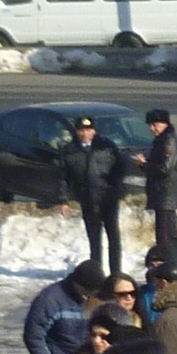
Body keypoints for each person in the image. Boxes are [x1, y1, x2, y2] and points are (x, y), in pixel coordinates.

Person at [56, 113, 129, 275]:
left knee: (113, 237)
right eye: (81, 130)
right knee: (94, 240)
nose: (85, 133)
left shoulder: (106, 146)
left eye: (88, 130)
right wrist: (64, 200)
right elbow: (63, 177)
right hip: (87, 199)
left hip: (108, 198)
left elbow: (120, 168)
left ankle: (116, 273)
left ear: (94, 131)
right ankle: (97, 274)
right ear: (76, 131)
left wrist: (115, 187)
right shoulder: (70, 151)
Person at [138, 110, 177, 279]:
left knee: (165, 237)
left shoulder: (168, 140)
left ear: (164, 123)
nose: (152, 128)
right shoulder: (162, 139)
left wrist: (144, 165)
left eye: (155, 125)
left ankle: (170, 270)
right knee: (168, 236)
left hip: (166, 195)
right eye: (150, 125)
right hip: (163, 195)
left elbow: (164, 168)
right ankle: (174, 268)